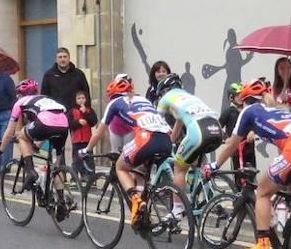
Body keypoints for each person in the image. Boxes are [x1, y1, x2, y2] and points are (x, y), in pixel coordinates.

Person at [211, 78, 291, 249]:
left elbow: (231, 145)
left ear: (244, 100)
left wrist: (214, 166)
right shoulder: (279, 111)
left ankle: (262, 245)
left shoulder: (249, 110)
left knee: (262, 192)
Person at [81, 74, 174, 223]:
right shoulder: (143, 100)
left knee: (121, 167)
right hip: (166, 139)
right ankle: (143, 216)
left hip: (146, 138)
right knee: (140, 174)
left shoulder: (115, 102)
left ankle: (137, 201)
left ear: (112, 94)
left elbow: (100, 130)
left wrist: (87, 149)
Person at [154, 73, 225, 216]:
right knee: (194, 163)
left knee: (179, 168)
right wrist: (170, 142)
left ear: (165, 90)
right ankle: (206, 196)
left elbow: (157, 122)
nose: (161, 96)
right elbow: (178, 126)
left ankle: (178, 209)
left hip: (198, 130)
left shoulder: (167, 98)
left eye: (161, 93)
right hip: (216, 128)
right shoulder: (190, 98)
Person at [0, 78, 71, 200]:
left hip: (45, 122)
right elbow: (46, 125)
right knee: (55, 168)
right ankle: (61, 202)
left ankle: (30, 171)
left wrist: (1, 149)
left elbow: (10, 131)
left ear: (20, 94)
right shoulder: (45, 99)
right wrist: (37, 145)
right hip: (63, 125)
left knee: (21, 136)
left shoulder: (20, 103)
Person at [218, 82, 256, 172]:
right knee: (238, 175)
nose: (240, 97)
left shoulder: (248, 111)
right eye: (238, 95)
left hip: (249, 149)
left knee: (252, 173)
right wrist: (226, 138)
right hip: (235, 150)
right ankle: (238, 186)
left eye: (242, 95)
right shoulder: (228, 112)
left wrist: (253, 132)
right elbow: (217, 127)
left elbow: (256, 123)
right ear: (231, 98)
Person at [69, 89, 98, 172]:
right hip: (76, 141)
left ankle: (90, 178)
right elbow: (69, 124)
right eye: (79, 98)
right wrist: (78, 122)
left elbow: (93, 122)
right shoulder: (72, 111)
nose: (81, 100)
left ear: (86, 99)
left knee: (88, 159)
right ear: (75, 100)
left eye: (83, 98)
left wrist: (85, 113)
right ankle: (74, 178)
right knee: (76, 160)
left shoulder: (90, 110)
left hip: (87, 140)